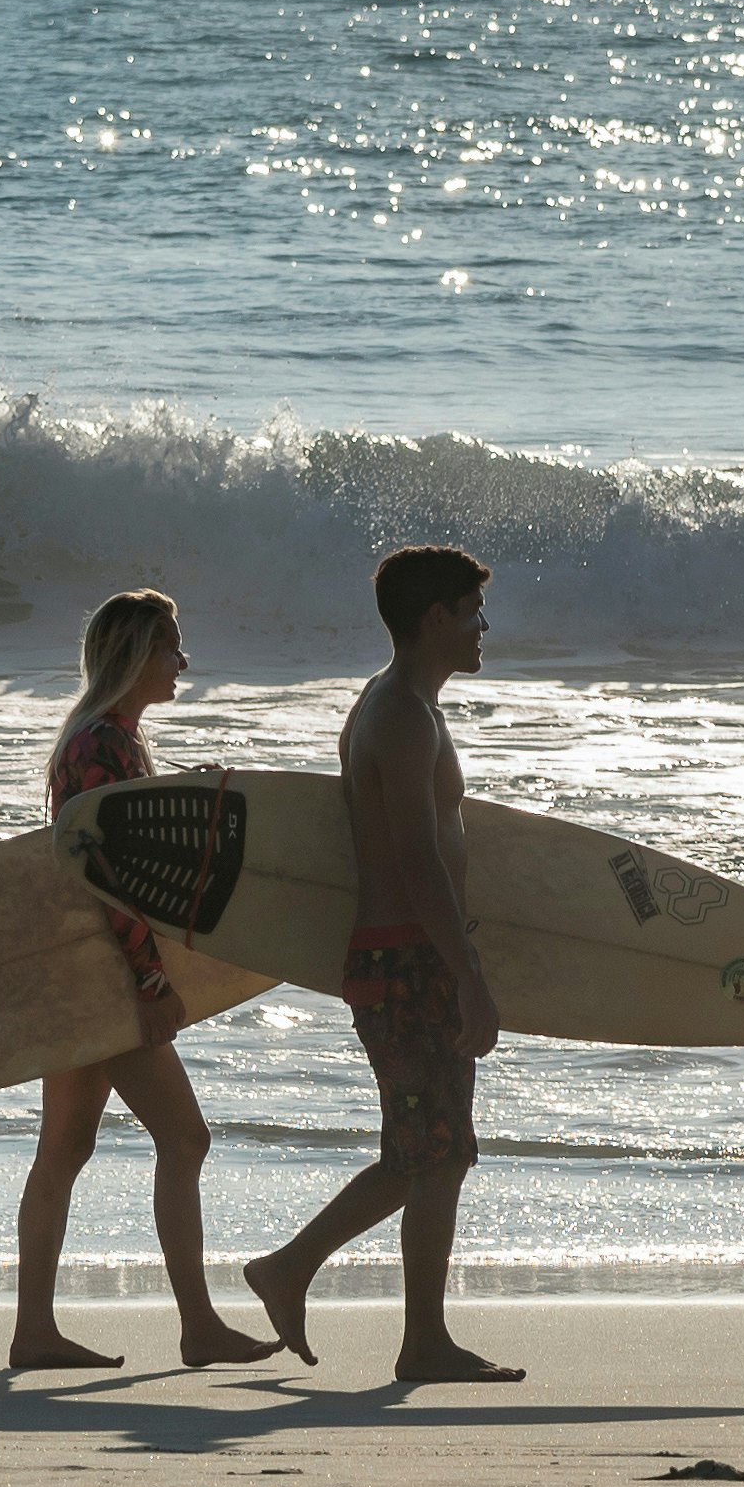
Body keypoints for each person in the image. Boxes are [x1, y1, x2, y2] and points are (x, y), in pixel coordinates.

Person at [248, 544, 522, 1385]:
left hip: (404, 959)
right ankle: (379, 1316)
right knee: (431, 1151)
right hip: (406, 962)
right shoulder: (400, 715)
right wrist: (467, 972)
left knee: (435, 1149)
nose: (483, 627)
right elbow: (414, 859)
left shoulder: (398, 705)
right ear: (433, 618)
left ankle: (313, 1280)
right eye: (470, 610)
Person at [13, 588, 281, 1374]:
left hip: (76, 971)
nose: (182, 661)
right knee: (184, 1137)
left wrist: (185, 799)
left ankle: (34, 1330)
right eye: (170, 647)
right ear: (135, 655)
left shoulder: (100, 740)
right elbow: (109, 878)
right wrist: (148, 981)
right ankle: (197, 1326)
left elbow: (118, 852)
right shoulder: (103, 745)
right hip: (104, 978)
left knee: (63, 1149)